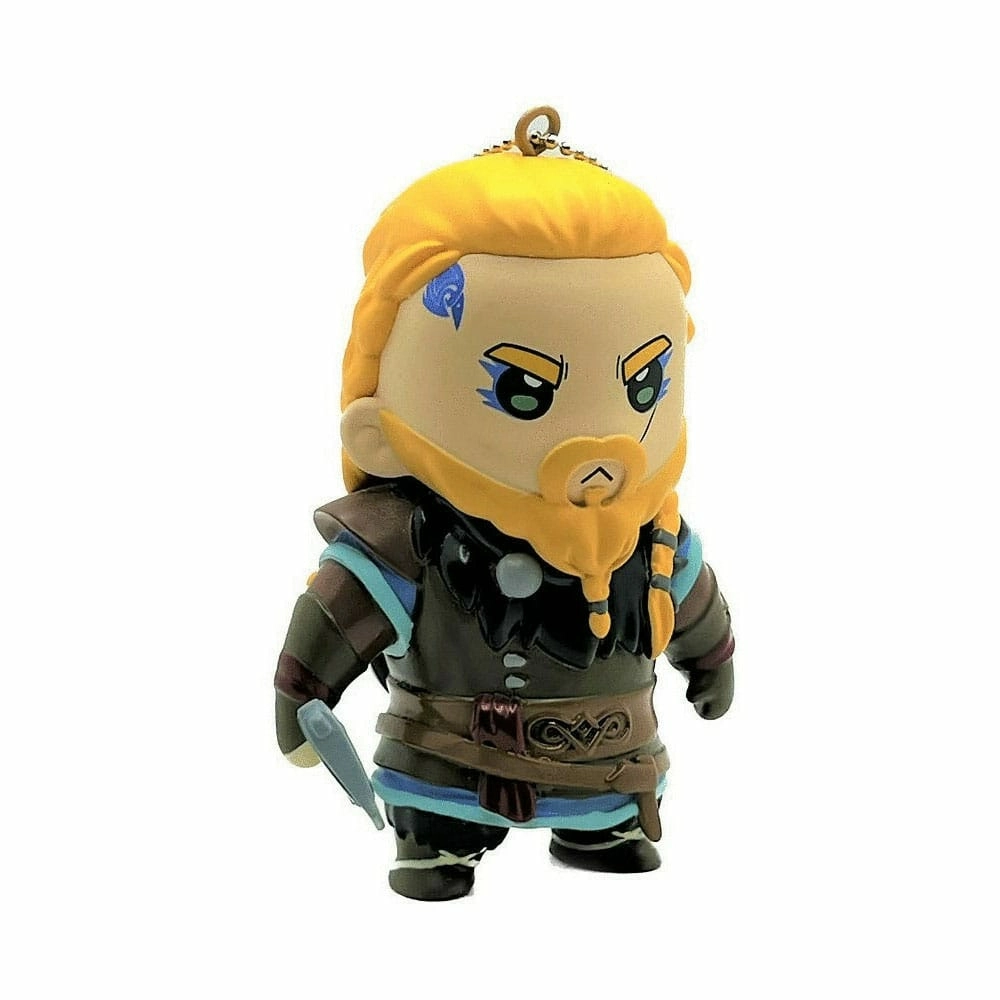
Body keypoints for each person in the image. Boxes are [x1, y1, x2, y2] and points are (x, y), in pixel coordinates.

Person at [274, 113, 735, 900]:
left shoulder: (650, 533)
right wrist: (301, 691)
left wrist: (712, 655)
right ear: (379, 425)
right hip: (445, 762)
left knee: (610, 813)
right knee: (439, 819)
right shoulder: (403, 538)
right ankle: (436, 846)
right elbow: (336, 615)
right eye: (524, 391)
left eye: (645, 385)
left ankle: (603, 829)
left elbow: (688, 599)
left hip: (613, 762)